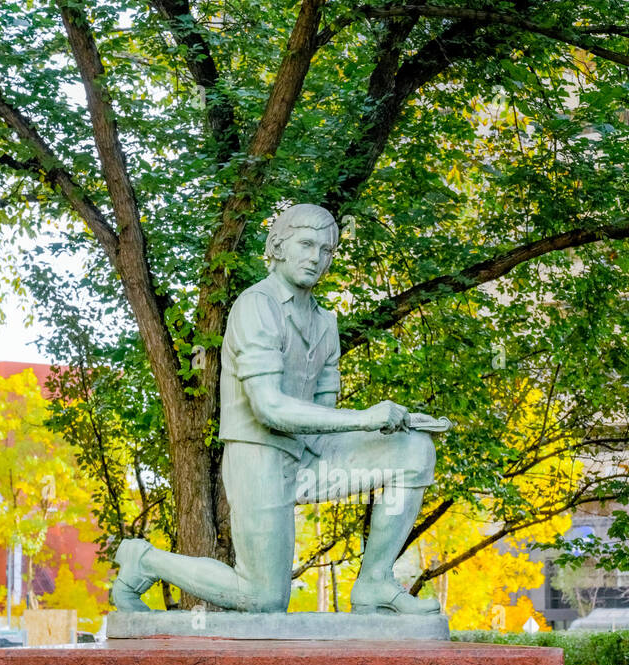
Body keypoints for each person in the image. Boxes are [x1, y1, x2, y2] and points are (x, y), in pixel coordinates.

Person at [112, 203, 446, 616]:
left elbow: (325, 415)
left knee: (413, 450)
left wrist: (391, 427)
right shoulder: (256, 306)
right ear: (277, 246)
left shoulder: (326, 323)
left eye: (326, 250)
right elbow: (268, 407)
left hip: (307, 455)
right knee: (264, 598)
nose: (315, 257)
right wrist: (365, 418)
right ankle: (143, 560)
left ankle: (375, 582)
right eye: (305, 244)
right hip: (259, 455)